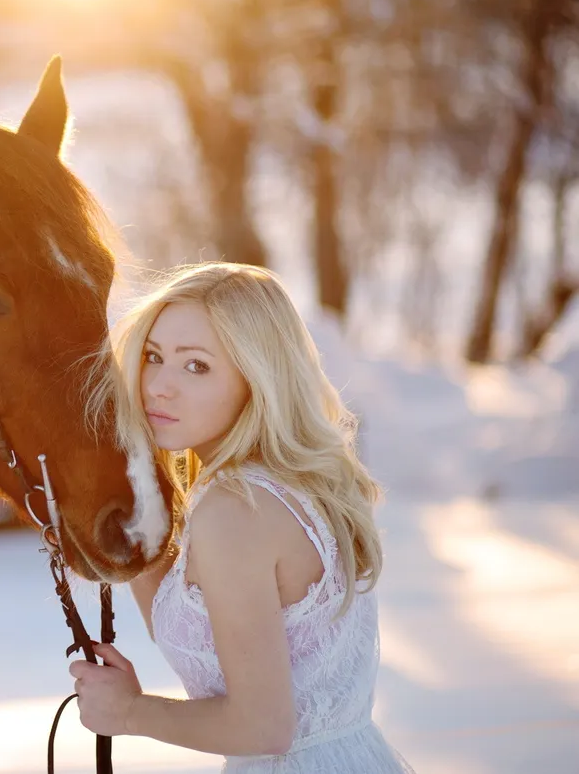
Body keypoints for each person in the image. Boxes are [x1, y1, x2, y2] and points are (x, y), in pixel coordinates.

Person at [69, 262, 414, 773]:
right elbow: (185, 620)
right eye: (153, 357)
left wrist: (129, 712)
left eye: (197, 366)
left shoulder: (235, 510)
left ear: (257, 378)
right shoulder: (282, 486)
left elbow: (263, 728)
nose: (159, 386)